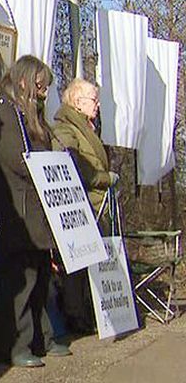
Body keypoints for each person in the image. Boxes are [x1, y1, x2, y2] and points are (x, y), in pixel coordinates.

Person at [0, 55, 73, 368]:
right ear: (24, 81)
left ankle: (42, 338)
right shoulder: (5, 110)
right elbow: (15, 158)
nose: (44, 93)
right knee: (22, 277)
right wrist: (47, 166)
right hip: (18, 204)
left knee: (41, 274)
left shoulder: (28, 112)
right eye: (40, 86)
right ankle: (15, 344)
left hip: (37, 201)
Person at [53, 78, 115, 335]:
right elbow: (75, 165)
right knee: (77, 263)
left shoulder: (86, 127)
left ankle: (92, 312)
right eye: (94, 100)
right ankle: (76, 315)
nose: (98, 105)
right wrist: (105, 179)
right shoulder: (66, 127)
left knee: (93, 260)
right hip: (85, 203)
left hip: (98, 202)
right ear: (78, 102)